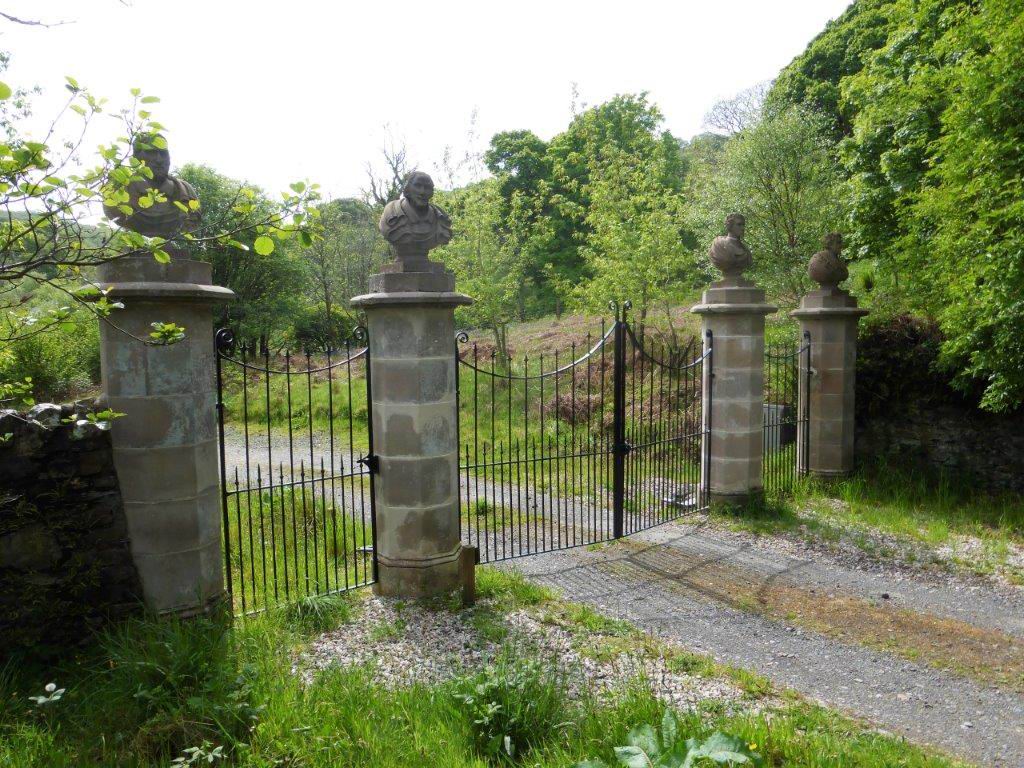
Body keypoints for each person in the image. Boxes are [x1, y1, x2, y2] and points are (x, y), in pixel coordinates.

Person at [103, 134, 200, 238]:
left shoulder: (187, 192)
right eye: (151, 153)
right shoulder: (117, 190)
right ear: (136, 158)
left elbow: (194, 218)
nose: (159, 160)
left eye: (163, 153)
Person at [378, 171, 452, 264]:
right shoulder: (391, 212)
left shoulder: (441, 218)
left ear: (432, 192)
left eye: (427, 187)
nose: (422, 192)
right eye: (417, 186)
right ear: (408, 188)